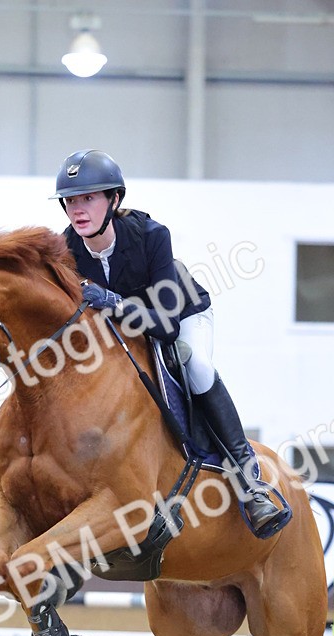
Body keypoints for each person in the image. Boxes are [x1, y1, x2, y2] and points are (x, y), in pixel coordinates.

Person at [53, 148, 289, 538]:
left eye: (89, 198)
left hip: (181, 316)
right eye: (72, 200)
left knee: (195, 364)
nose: (78, 209)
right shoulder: (67, 250)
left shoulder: (151, 236)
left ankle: (250, 483)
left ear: (114, 200)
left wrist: (112, 301)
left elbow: (164, 326)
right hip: (122, 330)